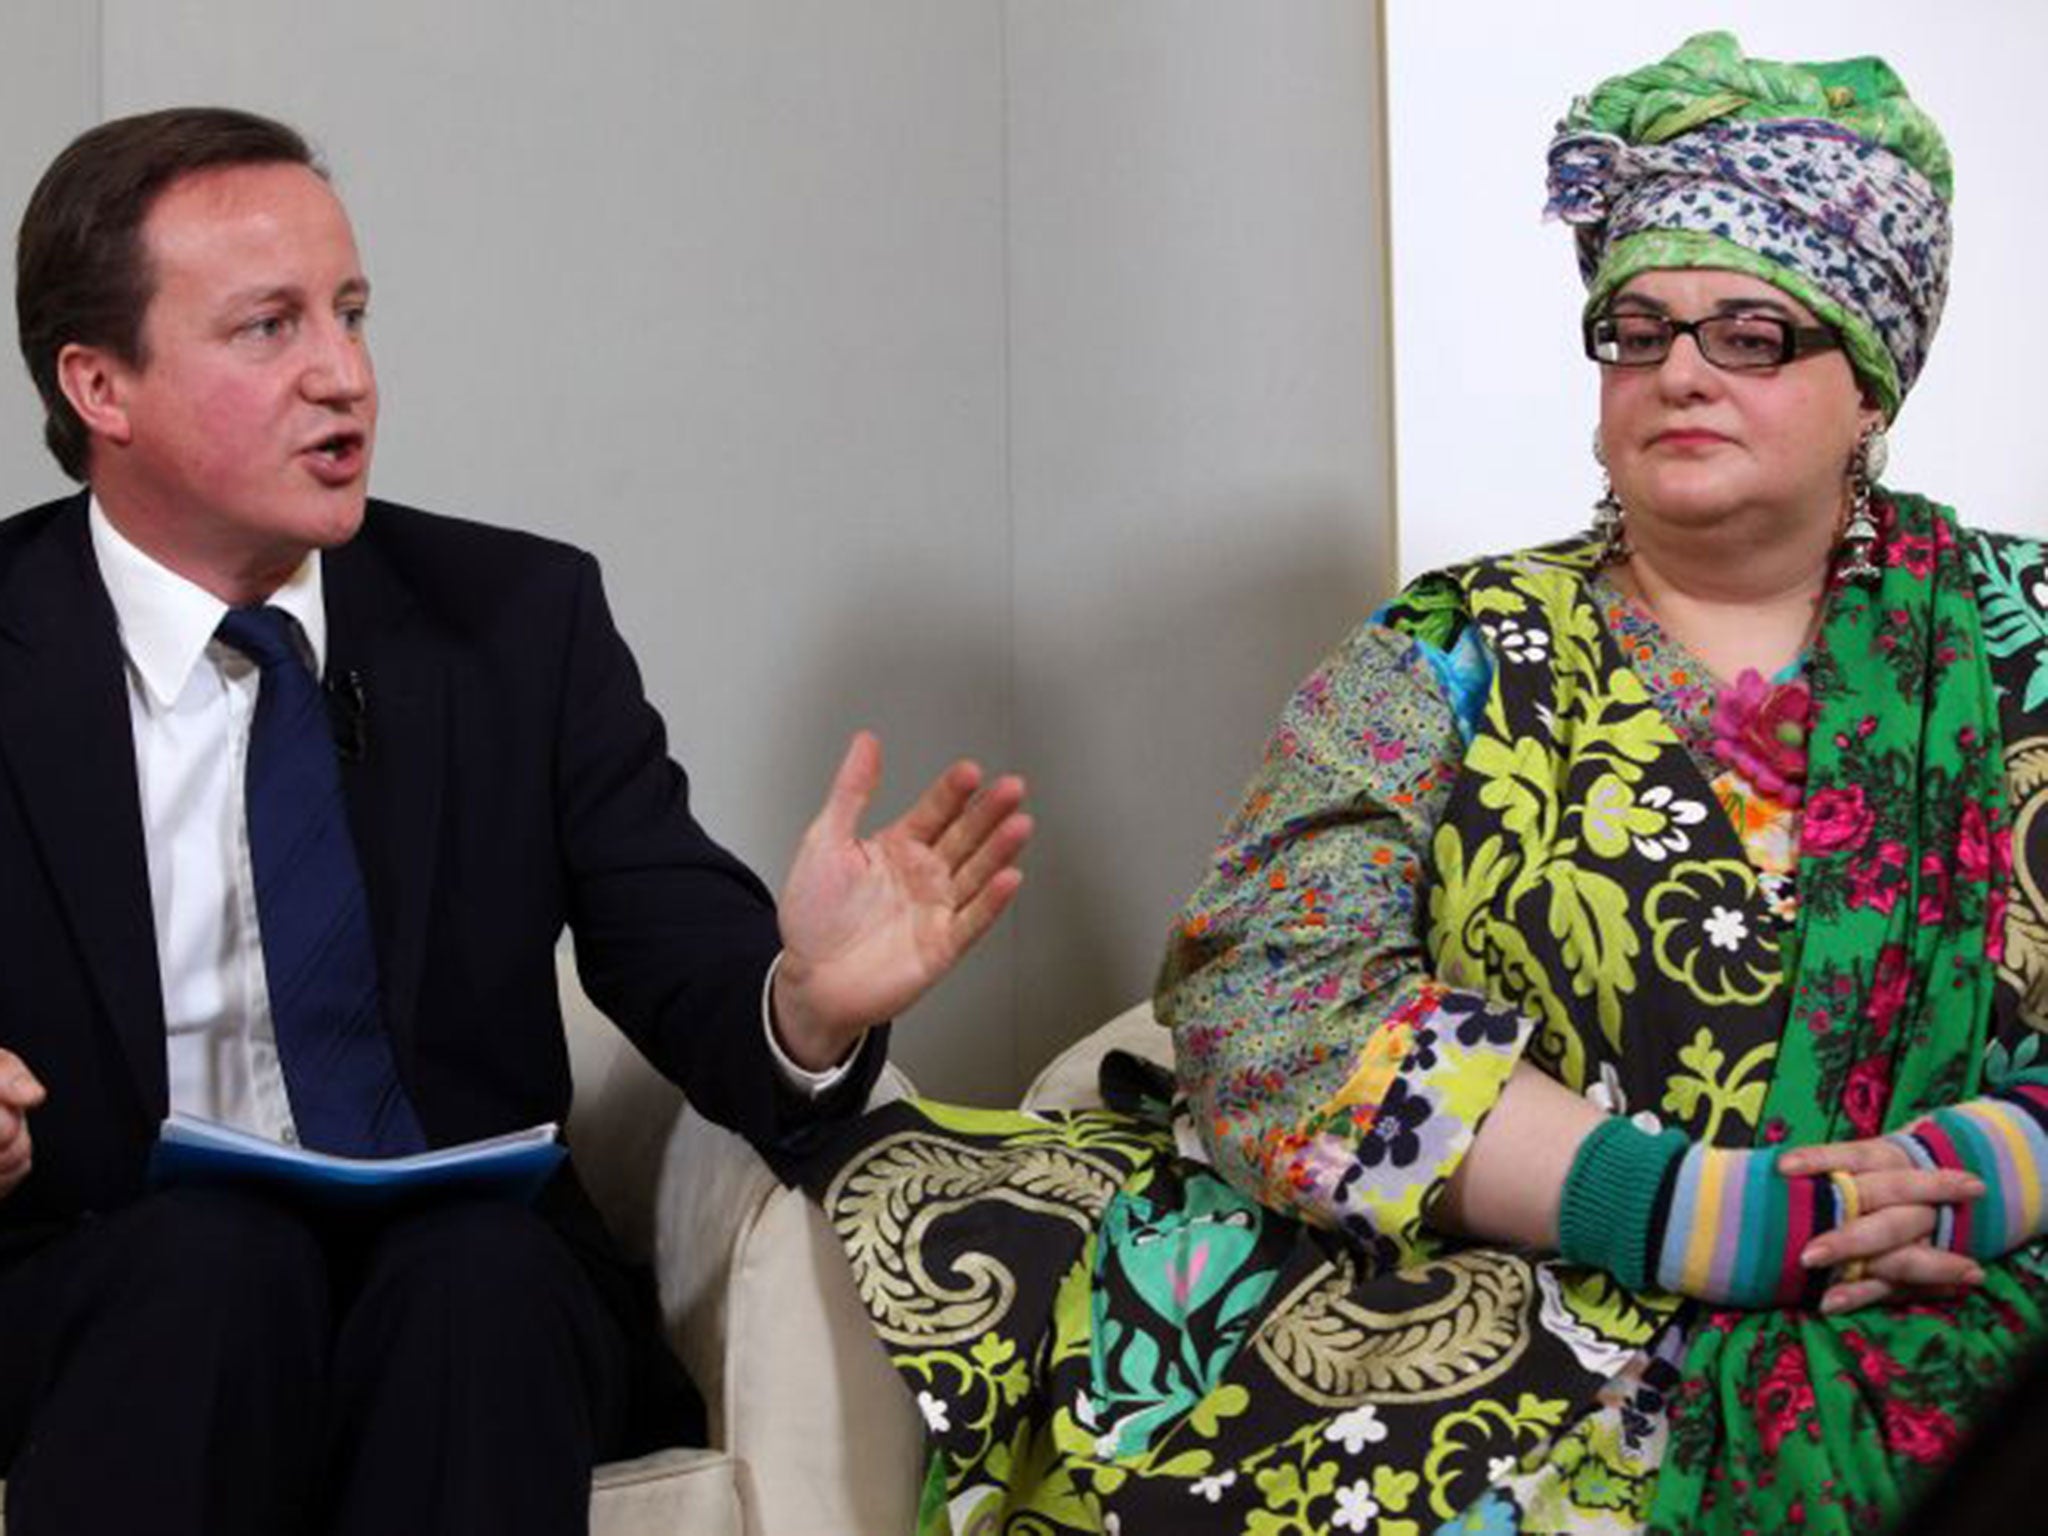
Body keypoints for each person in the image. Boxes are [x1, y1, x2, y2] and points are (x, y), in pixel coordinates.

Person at [796, 32, 2048, 1535]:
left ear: (1871, 381)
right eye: (1636, 330)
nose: (1681, 375)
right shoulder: (1447, 649)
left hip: (1980, 1271)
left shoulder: (2017, 640)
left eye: (1752, 334)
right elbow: (1271, 1002)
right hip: (1535, 1300)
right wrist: (1697, 1216)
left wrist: (1966, 1171)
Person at [0, 107, 1031, 1536]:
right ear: (99, 384)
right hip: (103, 1285)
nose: (343, 376)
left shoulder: (512, 625)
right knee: (212, 1272)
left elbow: (678, 948)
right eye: (267, 328)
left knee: (476, 1287)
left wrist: (802, 1005)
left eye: (351, 315)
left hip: (463, 1286)